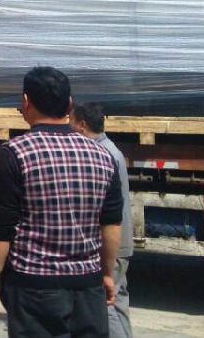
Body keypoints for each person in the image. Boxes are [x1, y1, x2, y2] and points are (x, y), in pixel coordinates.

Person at [0, 66, 123, 338]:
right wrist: (106, 273)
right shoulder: (104, 156)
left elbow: (0, 226)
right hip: (88, 287)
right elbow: (111, 224)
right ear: (70, 104)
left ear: (25, 102)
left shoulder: (15, 153)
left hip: (34, 290)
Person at [71, 101, 134, 338]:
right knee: (118, 300)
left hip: (111, 242)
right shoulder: (111, 149)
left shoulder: (101, 155)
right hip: (121, 240)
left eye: (71, 122)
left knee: (104, 303)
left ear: (82, 125)